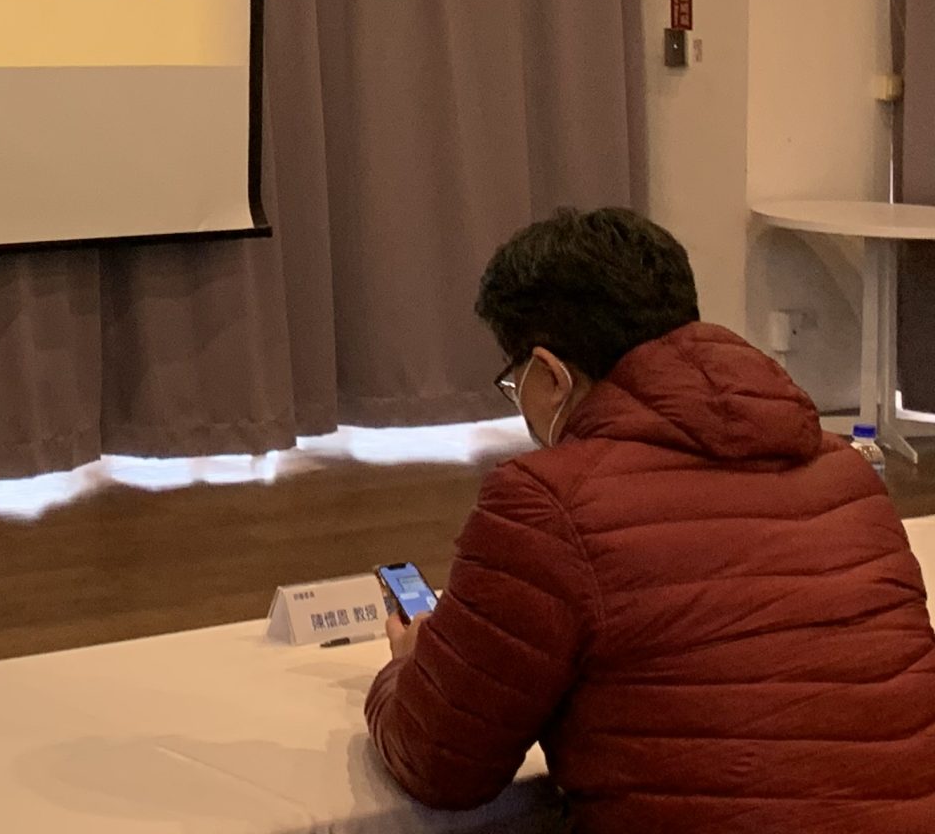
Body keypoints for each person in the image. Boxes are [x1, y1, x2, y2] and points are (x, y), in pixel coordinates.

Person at [368, 207, 935, 830]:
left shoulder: (545, 505)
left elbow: (441, 764)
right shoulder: (846, 473)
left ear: (551, 375)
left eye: (515, 382)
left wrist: (406, 670)